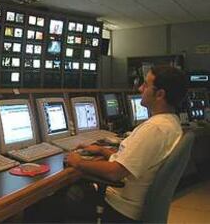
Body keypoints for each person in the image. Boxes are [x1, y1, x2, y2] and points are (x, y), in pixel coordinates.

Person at [63, 65, 187, 222]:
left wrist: (78, 162)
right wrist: (102, 151)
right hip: (135, 202)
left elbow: (115, 172)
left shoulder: (155, 129)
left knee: (58, 197)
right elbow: (134, 161)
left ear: (160, 94)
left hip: (119, 208)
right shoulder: (171, 123)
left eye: (146, 85)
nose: (140, 88)